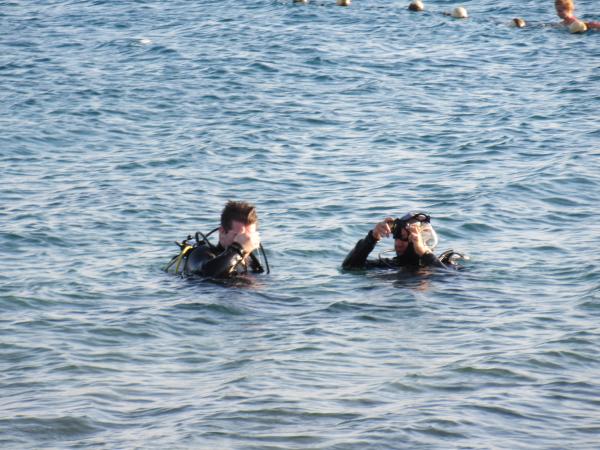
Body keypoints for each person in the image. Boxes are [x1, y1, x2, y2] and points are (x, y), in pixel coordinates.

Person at [165, 200, 267, 278]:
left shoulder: (251, 262)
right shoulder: (201, 254)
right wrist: (239, 248)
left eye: (249, 237)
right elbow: (209, 274)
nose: (245, 241)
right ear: (222, 232)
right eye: (239, 236)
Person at [342, 212, 463, 270]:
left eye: (405, 239)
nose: (398, 243)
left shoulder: (445, 266)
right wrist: (372, 237)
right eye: (396, 237)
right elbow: (349, 266)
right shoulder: (389, 265)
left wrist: (423, 253)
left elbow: (447, 279)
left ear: (423, 240)